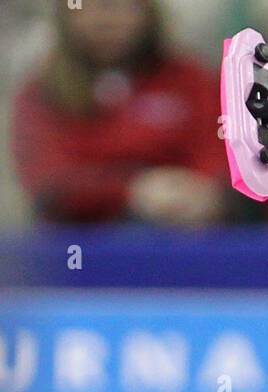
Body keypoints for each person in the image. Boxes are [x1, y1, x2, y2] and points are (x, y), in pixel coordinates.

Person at [10, 0, 227, 225]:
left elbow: (221, 153)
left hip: (191, 234)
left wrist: (204, 193)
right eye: (88, 6)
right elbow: (49, 183)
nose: (107, 19)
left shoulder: (192, 79)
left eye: (122, 5)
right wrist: (132, 190)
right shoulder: (43, 93)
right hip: (82, 242)